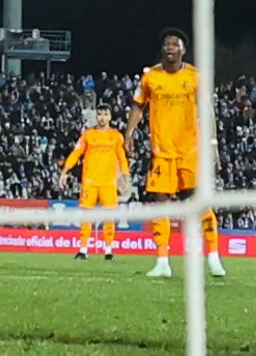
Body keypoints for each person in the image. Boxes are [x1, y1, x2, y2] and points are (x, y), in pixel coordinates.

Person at [126, 29, 226, 278]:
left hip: (189, 151)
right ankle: (162, 261)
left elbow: (207, 111)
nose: (170, 47)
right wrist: (128, 133)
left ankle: (213, 256)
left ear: (183, 50)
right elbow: (138, 106)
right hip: (161, 151)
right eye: (166, 44)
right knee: (160, 203)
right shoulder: (150, 77)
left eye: (175, 44)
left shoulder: (195, 76)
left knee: (198, 199)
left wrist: (213, 144)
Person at [60, 104, 128, 260]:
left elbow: (122, 158)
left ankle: (109, 250)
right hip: (90, 181)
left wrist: (125, 178)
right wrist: (64, 172)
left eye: (105, 114)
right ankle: (83, 249)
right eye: (100, 114)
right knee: (86, 216)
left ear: (110, 117)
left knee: (109, 217)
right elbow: (76, 153)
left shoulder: (116, 136)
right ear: (96, 116)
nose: (102, 118)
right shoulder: (88, 135)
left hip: (108, 183)